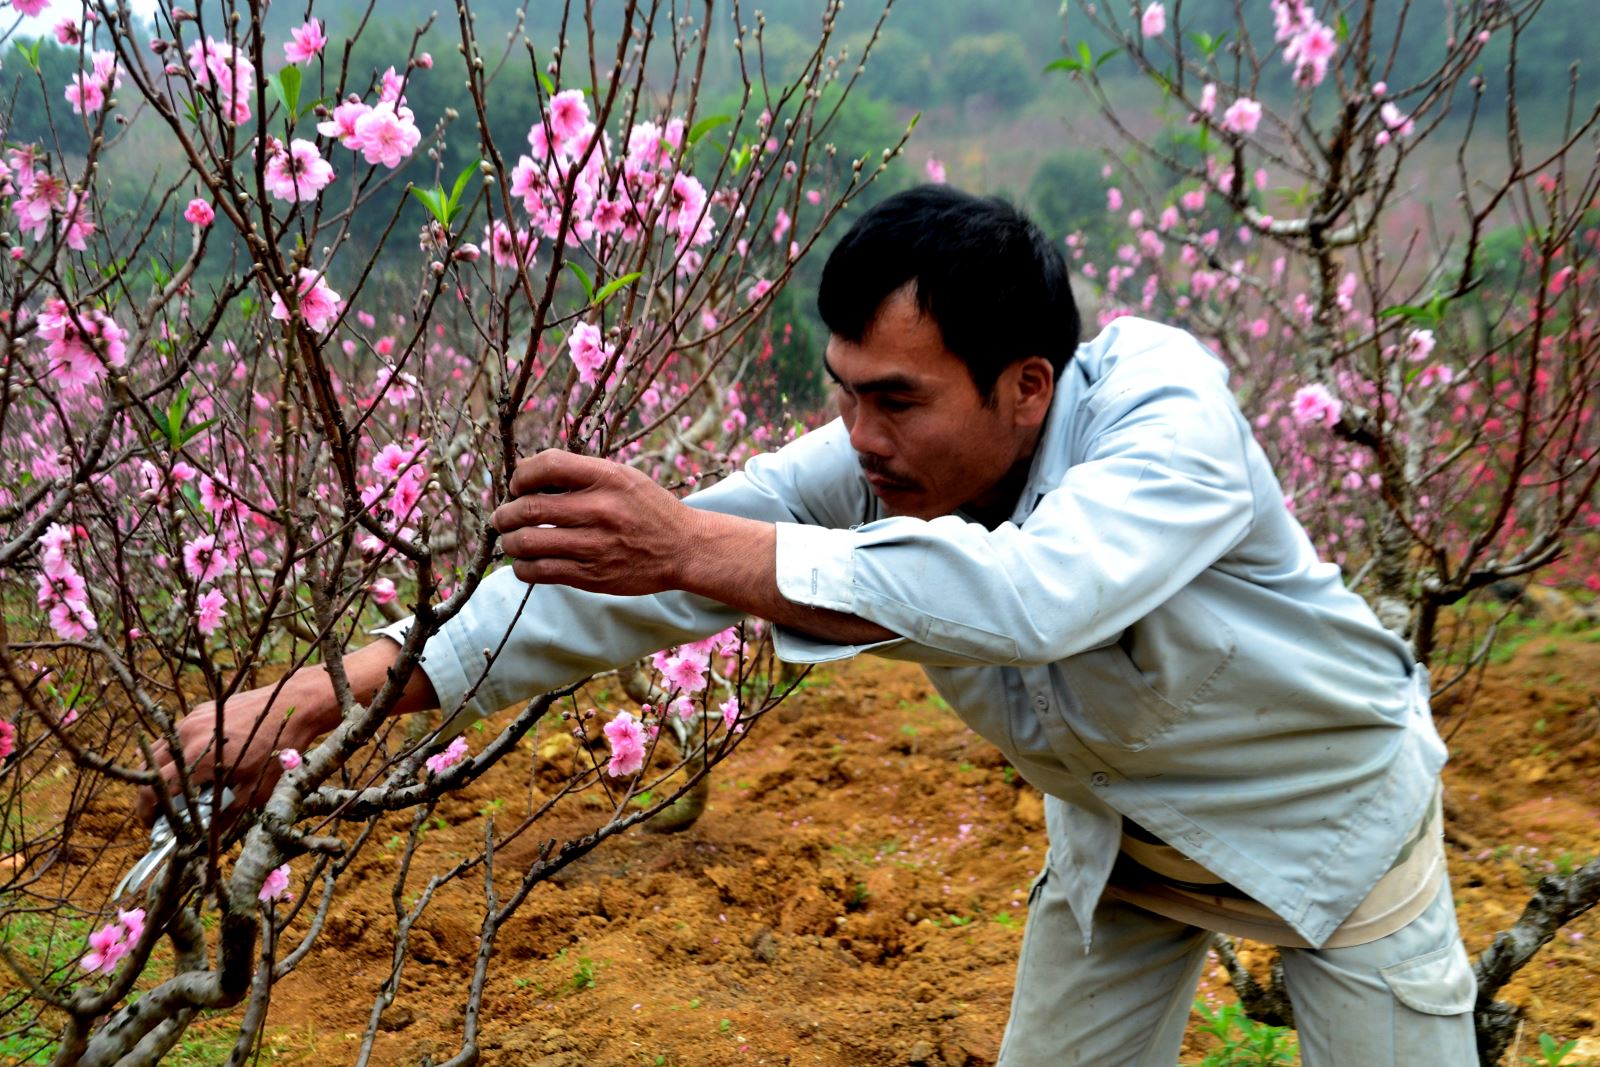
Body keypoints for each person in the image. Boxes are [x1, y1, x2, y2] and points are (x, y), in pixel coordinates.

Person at [146, 185, 1476, 1065]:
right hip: (1121, 849)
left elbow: (1038, 596)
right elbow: (647, 574)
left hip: (1331, 842)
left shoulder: (1163, 420)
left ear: (1026, 386)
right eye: (841, 393)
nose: (859, 437)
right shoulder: (886, 457)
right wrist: (349, 687)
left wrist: (693, 543)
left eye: (895, 398)